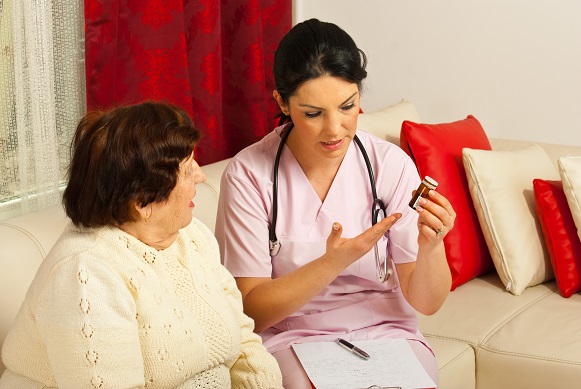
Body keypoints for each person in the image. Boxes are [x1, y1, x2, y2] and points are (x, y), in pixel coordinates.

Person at [215, 18, 456, 388]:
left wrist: (432, 245)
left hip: (387, 333)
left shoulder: (389, 166)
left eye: (347, 106)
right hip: (292, 340)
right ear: (282, 101)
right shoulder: (248, 175)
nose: (335, 129)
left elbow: (427, 303)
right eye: (313, 113)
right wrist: (331, 263)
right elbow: (252, 311)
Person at [0, 101, 283, 388]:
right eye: (187, 170)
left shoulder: (190, 234)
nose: (200, 175)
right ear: (142, 203)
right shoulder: (86, 274)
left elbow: (244, 340)